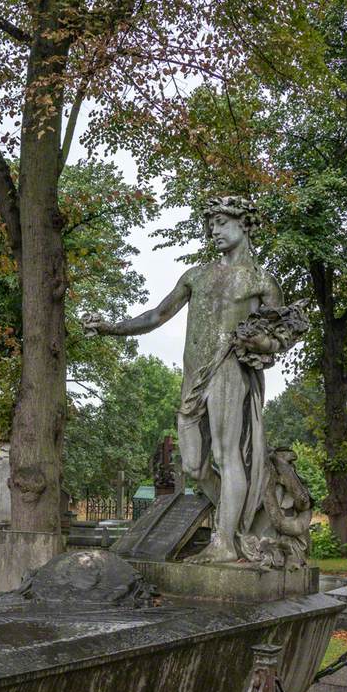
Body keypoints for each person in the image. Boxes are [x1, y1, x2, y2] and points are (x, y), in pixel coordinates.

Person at [84, 196, 283, 563]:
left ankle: (224, 543)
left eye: (222, 222)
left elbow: (279, 337)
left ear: (244, 224)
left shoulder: (260, 281)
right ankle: (242, 520)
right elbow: (157, 315)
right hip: (193, 376)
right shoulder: (197, 275)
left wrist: (261, 341)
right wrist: (112, 327)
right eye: (211, 224)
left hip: (228, 369)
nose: (214, 230)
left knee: (226, 455)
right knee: (193, 466)